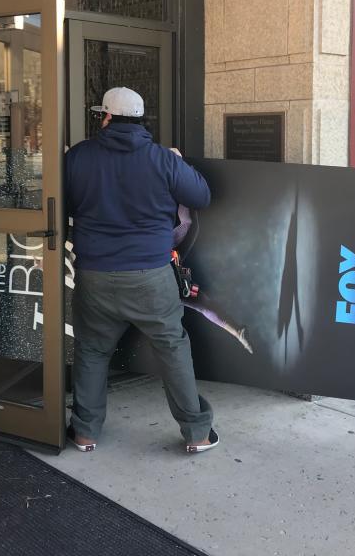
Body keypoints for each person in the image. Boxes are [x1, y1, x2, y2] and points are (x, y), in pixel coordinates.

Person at [65, 86, 219, 454]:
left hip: (95, 274)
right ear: (141, 120)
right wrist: (181, 163)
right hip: (150, 275)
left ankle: (85, 433)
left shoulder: (79, 157)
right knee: (172, 348)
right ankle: (197, 434)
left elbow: (63, 202)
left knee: (92, 350)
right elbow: (202, 197)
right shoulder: (163, 160)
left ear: (105, 117)